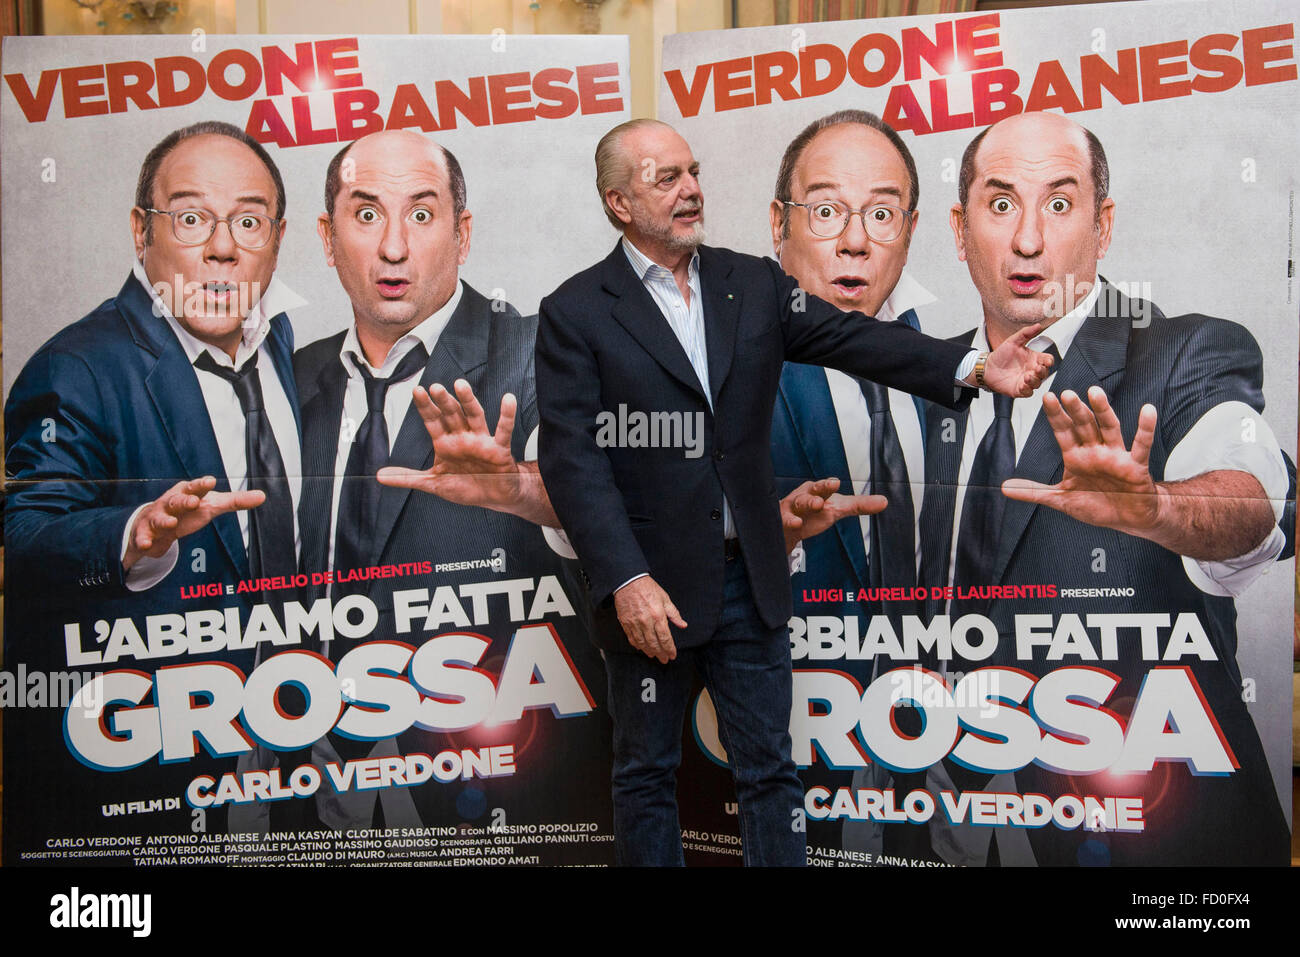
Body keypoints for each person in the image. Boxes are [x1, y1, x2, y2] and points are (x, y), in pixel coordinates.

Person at [534, 118, 1053, 866]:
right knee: (645, 776)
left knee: (772, 774)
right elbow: (573, 460)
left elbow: (856, 339)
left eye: (692, 171)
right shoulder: (577, 310)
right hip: (653, 590)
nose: (691, 190)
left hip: (750, 575)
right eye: (665, 179)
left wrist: (972, 366)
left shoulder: (751, 283)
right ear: (618, 202)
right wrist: (626, 577)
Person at [915, 110, 1291, 865]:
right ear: (959, 231)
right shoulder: (918, 377)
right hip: (947, 822)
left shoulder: (1187, 349)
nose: (1028, 240)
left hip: (1151, 841)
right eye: (999, 205)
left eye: (1059, 204)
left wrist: (1157, 508)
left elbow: (1256, 497)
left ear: (1104, 224)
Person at [3, 120, 301, 845]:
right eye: (192, 217)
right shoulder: (77, 366)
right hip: (152, 773)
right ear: (142, 231)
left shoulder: (285, 345)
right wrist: (133, 532)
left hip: (291, 750)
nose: (223, 246)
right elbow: (23, 538)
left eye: (249, 221)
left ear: (279, 236)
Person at [294, 129, 599, 832]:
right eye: (366, 215)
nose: (393, 247)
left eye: (422, 215)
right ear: (326, 235)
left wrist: (538, 497)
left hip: (500, 791)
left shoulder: (546, 356)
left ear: (462, 236)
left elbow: (646, 538)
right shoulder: (286, 381)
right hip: (312, 792)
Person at [765, 109, 941, 861]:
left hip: (945, 752)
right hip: (788, 743)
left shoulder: (957, 372)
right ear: (780, 225)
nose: (856, 239)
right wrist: (751, 534)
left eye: (881, 213)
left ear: (911, 227)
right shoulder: (718, 372)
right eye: (827, 210)